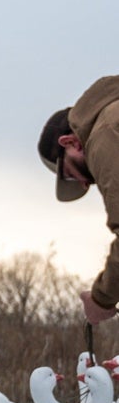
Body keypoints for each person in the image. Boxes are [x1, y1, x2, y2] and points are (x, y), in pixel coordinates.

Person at [38, 75, 119, 326]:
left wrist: (101, 298)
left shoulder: (104, 136)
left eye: (70, 175)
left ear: (70, 142)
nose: (85, 183)